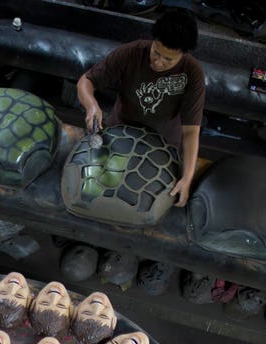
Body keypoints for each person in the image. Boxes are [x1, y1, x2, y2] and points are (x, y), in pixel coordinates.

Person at [77, 8, 205, 207]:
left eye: (168, 59)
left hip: (162, 145)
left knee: (144, 201)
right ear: (153, 40)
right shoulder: (131, 53)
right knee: (95, 192)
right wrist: (91, 106)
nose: (159, 62)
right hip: (119, 133)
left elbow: (190, 132)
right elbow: (86, 81)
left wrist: (187, 178)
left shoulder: (192, 73)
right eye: (156, 52)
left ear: (183, 55)